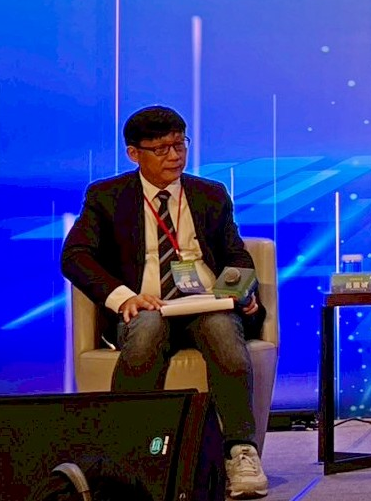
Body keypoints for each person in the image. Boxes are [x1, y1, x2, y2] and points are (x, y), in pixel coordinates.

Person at [61, 106, 269, 499]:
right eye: (161, 149)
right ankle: (128, 454)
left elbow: (235, 253)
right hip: (146, 306)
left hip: (205, 304)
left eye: (179, 145)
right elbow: (75, 257)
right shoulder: (107, 196)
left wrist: (241, 291)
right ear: (134, 153)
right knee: (147, 330)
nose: (174, 156)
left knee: (222, 330)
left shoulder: (209, 194)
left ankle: (241, 451)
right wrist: (124, 297)